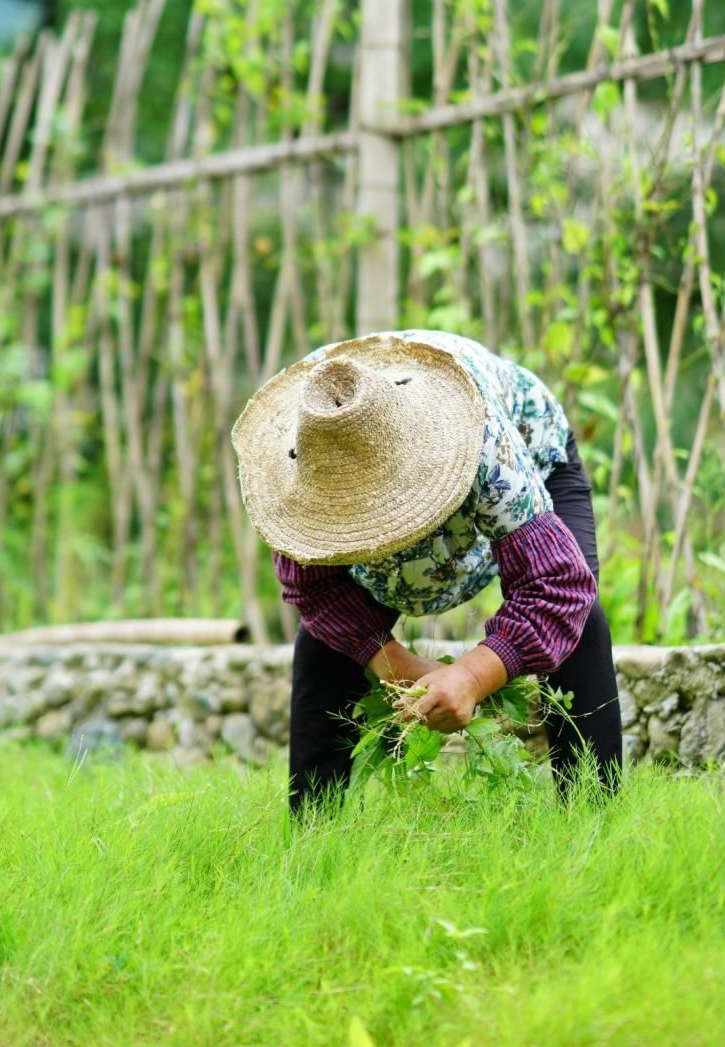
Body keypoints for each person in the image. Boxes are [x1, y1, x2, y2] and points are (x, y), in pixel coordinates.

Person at [230, 327, 623, 814]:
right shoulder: (303, 455)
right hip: (376, 498)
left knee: (582, 624)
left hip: (527, 455)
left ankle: (592, 818)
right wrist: (395, 664)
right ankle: (312, 835)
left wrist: (473, 677)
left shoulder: (482, 446)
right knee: (324, 644)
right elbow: (316, 590)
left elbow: (556, 588)